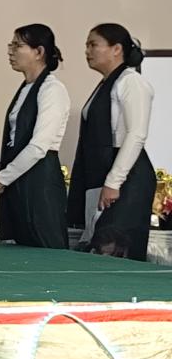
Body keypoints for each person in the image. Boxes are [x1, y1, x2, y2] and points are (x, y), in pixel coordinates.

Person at [69, 23, 156, 260]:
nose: (87, 51)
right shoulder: (105, 85)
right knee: (97, 247)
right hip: (106, 171)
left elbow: (136, 134)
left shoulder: (131, 82)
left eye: (93, 45)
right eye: (86, 45)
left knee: (113, 249)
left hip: (128, 178)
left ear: (116, 49)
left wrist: (113, 182)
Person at [0, 24, 70, 249]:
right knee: (17, 247)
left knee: (43, 245)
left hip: (39, 180)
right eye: (10, 45)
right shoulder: (25, 89)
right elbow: (13, 137)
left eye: (17, 46)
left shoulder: (52, 89)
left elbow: (39, 146)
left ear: (39, 52)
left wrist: (2, 179)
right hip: (17, 178)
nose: (10, 52)